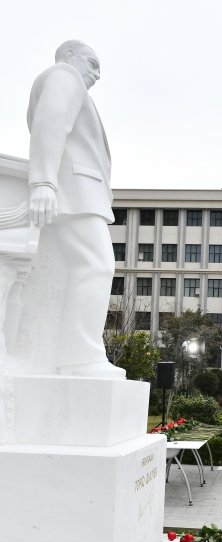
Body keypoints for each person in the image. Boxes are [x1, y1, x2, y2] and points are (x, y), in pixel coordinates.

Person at [27, 40, 124, 379]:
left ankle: (75, 355)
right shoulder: (64, 75)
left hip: (76, 192)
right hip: (75, 192)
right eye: (92, 63)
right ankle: (81, 357)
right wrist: (43, 181)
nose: (97, 73)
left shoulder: (67, 80)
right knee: (96, 265)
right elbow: (51, 123)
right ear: (70, 56)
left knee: (83, 269)